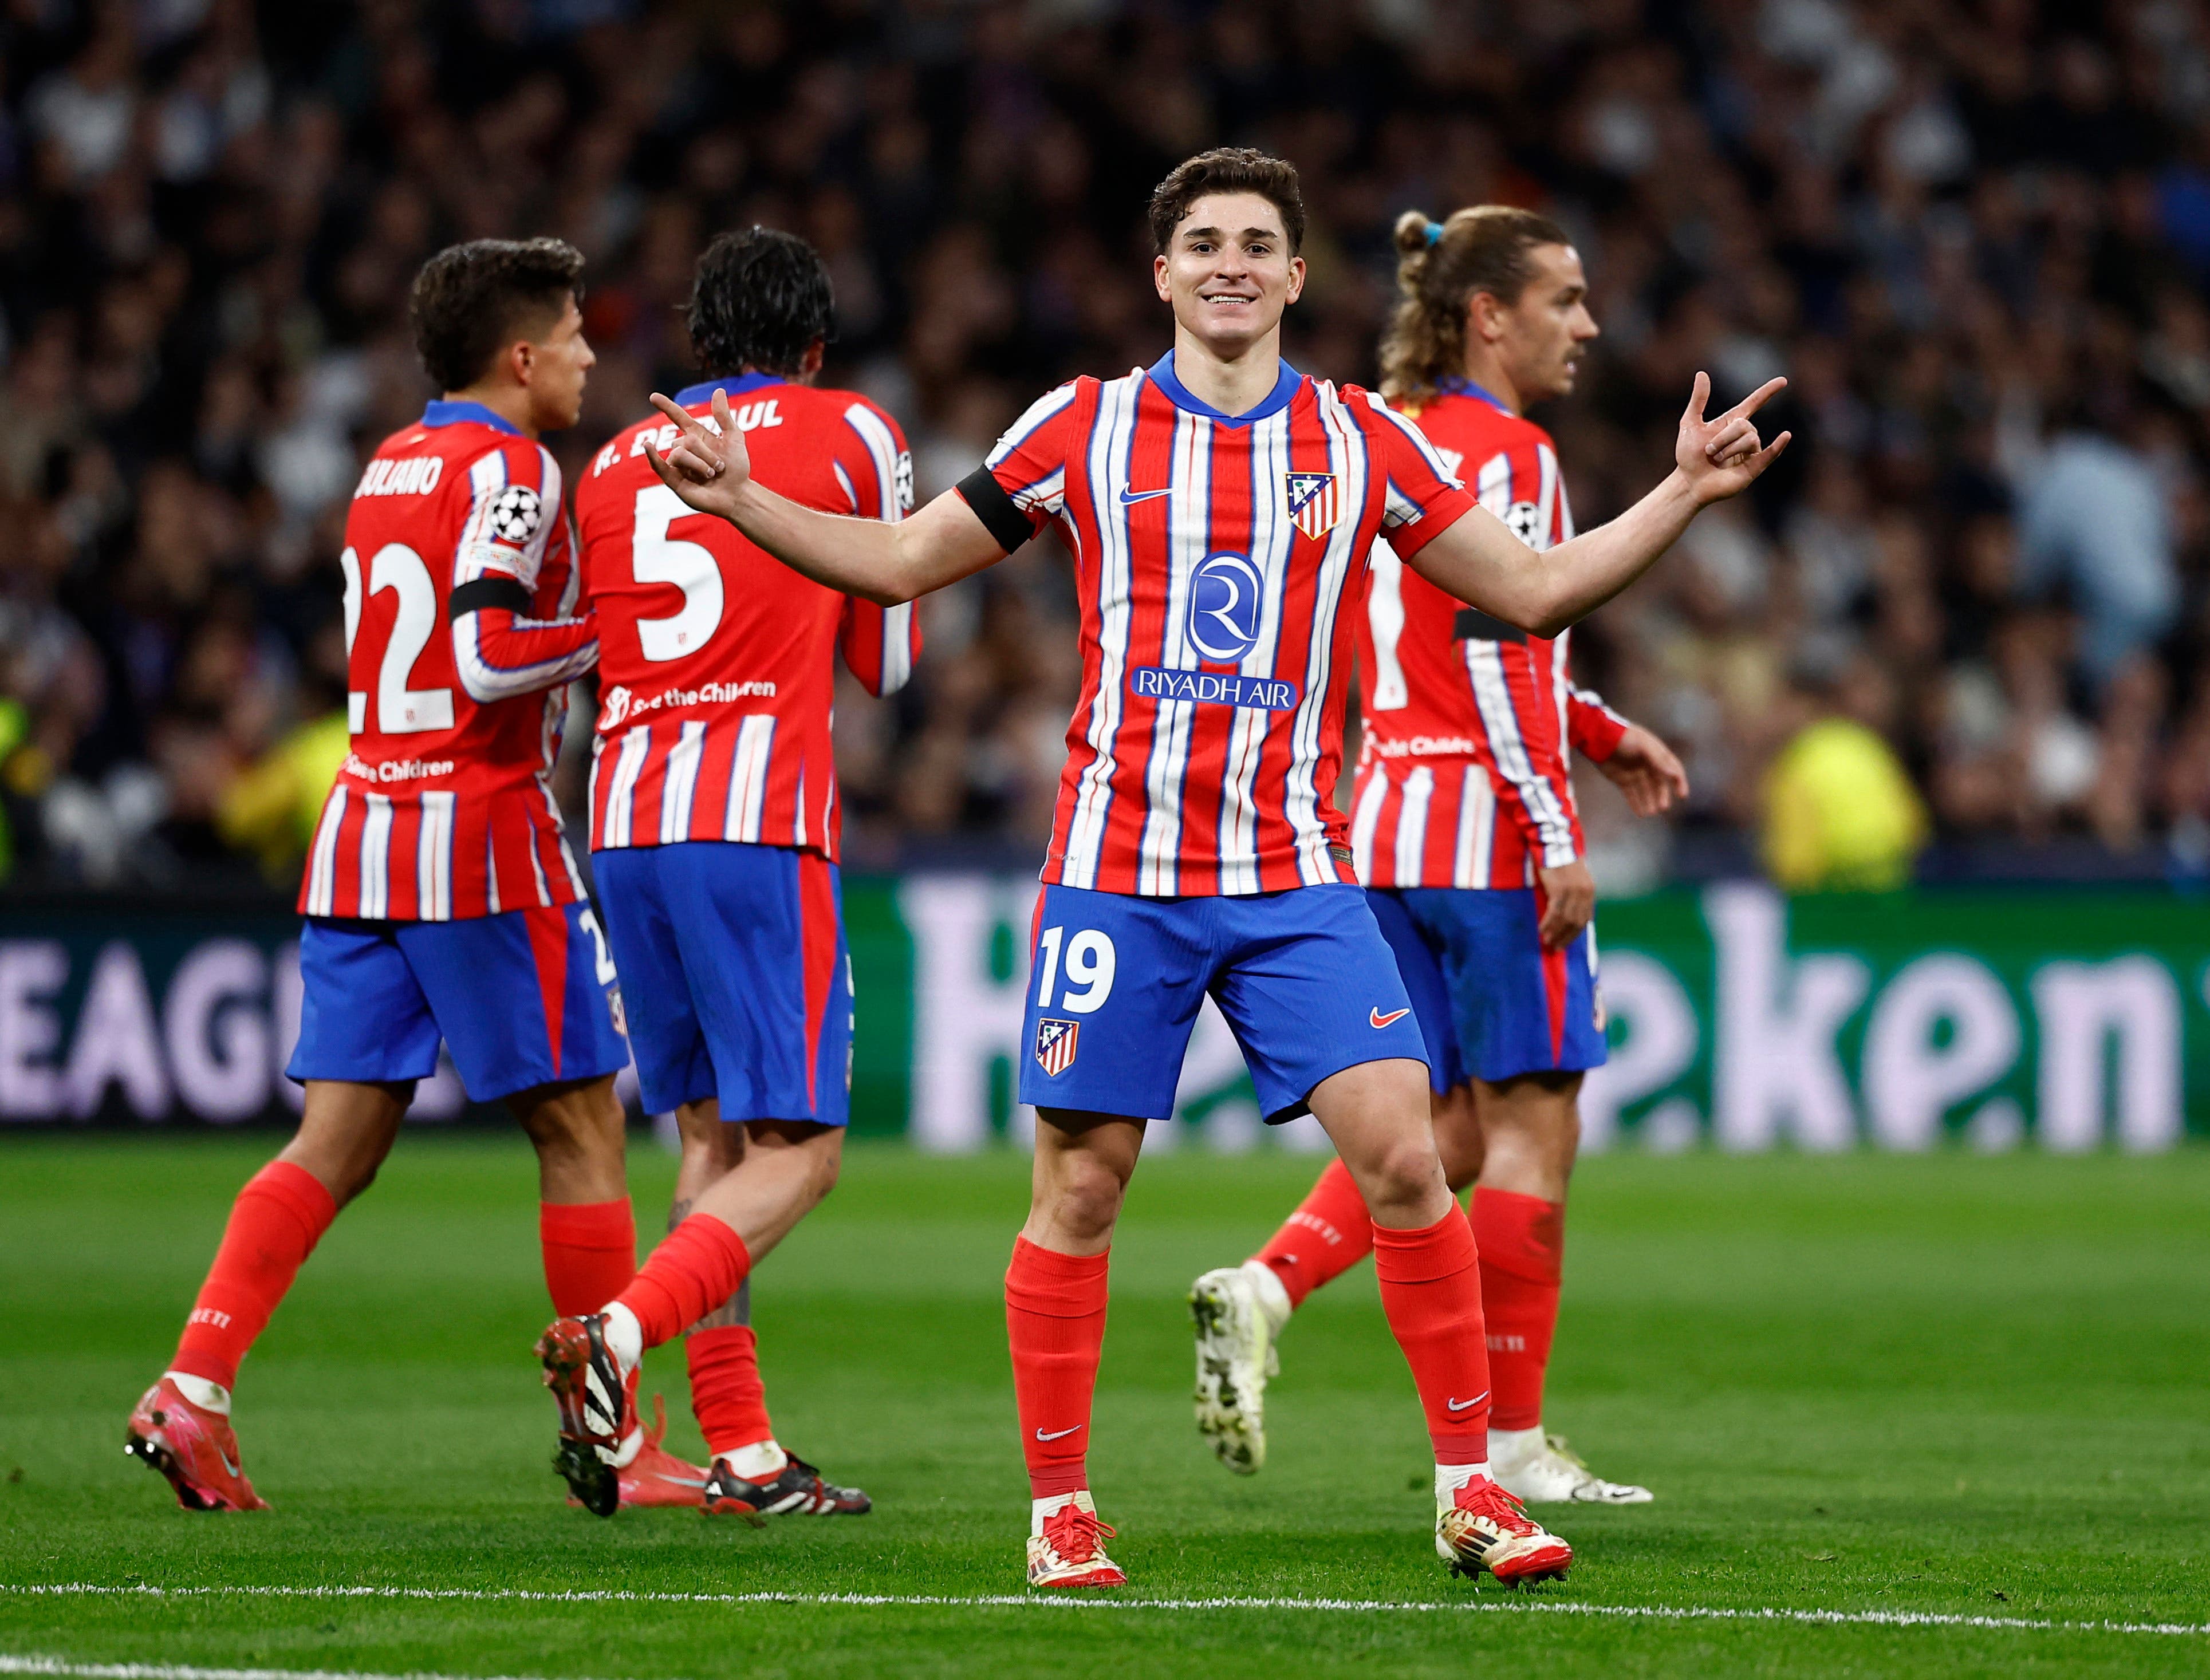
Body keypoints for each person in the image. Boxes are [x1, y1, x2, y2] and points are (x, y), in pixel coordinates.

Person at [546, 147, 1786, 1590]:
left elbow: (1529, 591)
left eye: (1258, 243)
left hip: (1292, 874)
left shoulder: (1357, 441)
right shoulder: (1082, 427)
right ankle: (1059, 1515)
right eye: (1203, 242)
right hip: (1116, 875)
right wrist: (748, 504)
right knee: (1081, 1193)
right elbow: (894, 564)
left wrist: (1681, 493)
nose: (1231, 265)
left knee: (1402, 1155)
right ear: (1161, 272)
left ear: (1298, 275)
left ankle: (1469, 1489)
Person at [125, 238, 664, 1511]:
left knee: (340, 1139)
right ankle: (615, 1441)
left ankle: (193, 1389)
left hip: (365, 822)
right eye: (577, 336)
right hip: (476, 831)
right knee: (583, 1125)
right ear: (519, 356)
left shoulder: (390, 462)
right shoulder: (518, 469)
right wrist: (611, 637)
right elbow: (482, 658)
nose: (592, 357)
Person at [1189, 206, 1692, 1506]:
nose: (1585, 325)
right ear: (1489, 315)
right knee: (1535, 1130)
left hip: (1383, 825)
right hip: (1484, 838)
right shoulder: (1510, 451)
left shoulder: (1379, 441)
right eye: (1564, 299)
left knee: (1444, 1134)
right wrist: (1557, 822)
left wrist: (1598, 724)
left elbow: (1413, 657)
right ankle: (1513, 1448)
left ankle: (1264, 1286)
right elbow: (1500, 645)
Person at [565, 226, 918, 1519]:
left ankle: (747, 1455)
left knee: (708, 1135)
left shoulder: (607, 462)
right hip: (756, 820)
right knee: (804, 1151)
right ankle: (617, 1332)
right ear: (817, 347)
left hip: (626, 822)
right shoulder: (853, 432)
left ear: (700, 340)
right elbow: (888, 663)